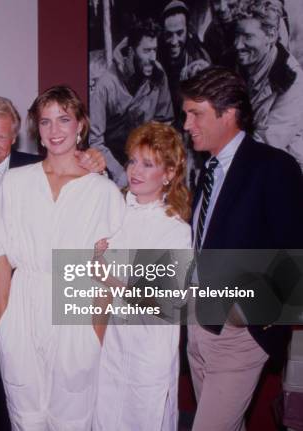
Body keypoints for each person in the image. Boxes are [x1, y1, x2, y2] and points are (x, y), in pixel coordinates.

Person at [0, 96, 107, 431]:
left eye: (64, 120)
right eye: (45, 121)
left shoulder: (89, 182)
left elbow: (108, 266)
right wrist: (4, 327)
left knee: (70, 412)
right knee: (4, 405)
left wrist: (93, 338)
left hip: (63, 297)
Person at [181, 66, 303, 430]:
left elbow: (294, 250)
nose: (187, 124)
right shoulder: (208, 171)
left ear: (229, 112)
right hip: (199, 324)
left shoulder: (273, 166)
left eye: (195, 113)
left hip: (238, 332)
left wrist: (251, 315)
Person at [93, 122, 192, 431]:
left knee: (144, 418)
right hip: (112, 342)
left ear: (169, 173)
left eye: (148, 164)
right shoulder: (117, 212)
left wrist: (109, 278)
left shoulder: (175, 230)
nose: (135, 170)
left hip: (150, 346)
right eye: (133, 160)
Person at [90, 18, 174, 187]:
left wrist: (153, 166)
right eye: (146, 51)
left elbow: (164, 123)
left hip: (145, 161)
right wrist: (120, 174)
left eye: (154, 50)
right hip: (112, 166)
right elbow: (95, 142)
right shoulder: (106, 85)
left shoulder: (158, 76)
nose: (152, 57)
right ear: (131, 51)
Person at [232, 0, 303, 169]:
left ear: (271, 36)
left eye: (247, 36)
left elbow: (265, 146)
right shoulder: (237, 64)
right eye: (237, 35)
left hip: (284, 168)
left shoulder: (292, 81)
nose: (237, 45)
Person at [158, 0, 211, 125]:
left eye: (179, 33)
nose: (174, 41)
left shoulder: (199, 57)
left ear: (188, 30)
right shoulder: (154, 54)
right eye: (169, 34)